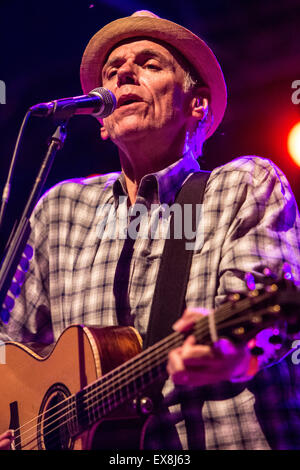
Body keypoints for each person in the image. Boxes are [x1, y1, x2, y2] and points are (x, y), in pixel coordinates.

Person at [1, 10, 300, 450]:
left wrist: (235, 354)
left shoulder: (243, 185)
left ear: (196, 103)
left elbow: (273, 318)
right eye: (112, 70)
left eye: (150, 64)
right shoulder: (61, 209)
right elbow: (10, 347)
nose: (123, 73)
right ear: (101, 122)